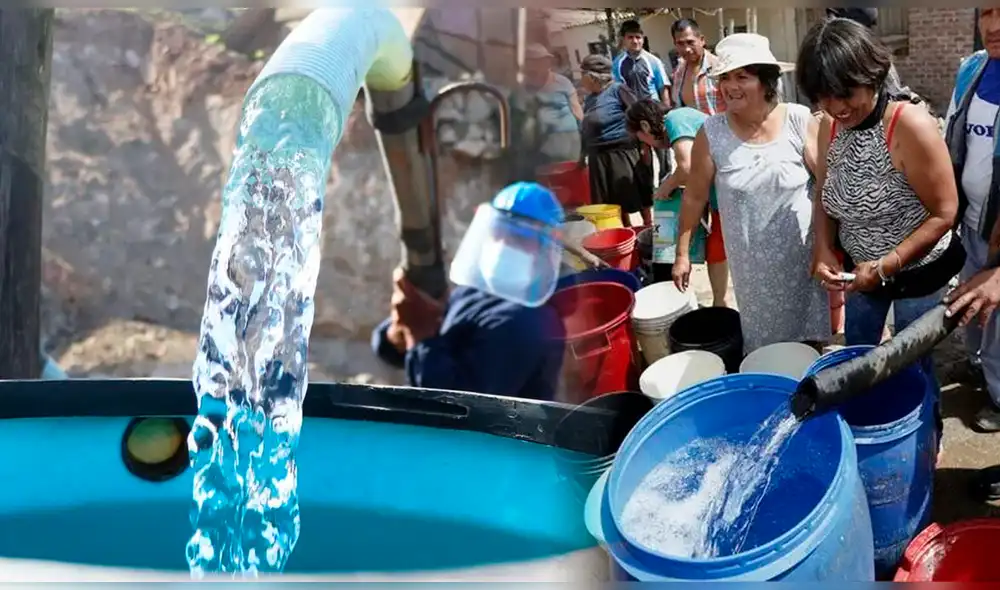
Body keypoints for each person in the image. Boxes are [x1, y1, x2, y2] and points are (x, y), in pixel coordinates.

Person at [798, 18, 962, 355]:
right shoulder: (830, 125)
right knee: (857, 353)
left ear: (870, 75)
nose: (838, 107)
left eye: (846, 94)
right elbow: (824, 191)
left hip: (919, 271)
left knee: (909, 362)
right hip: (860, 272)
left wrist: (887, 264)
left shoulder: (908, 124)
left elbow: (945, 212)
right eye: (824, 97)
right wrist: (823, 246)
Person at [670, 33, 830, 352]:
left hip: (802, 260)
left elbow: (826, 186)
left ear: (766, 81)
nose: (730, 86)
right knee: (764, 350)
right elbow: (694, 197)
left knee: (808, 345)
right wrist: (682, 254)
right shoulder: (712, 133)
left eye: (742, 76)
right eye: (724, 78)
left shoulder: (799, 120)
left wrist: (825, 248)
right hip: (752, 271)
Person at [371, 182, 566, 400]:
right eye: (498, 233)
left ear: (545, 250)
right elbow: (393, 351)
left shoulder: (531, 324)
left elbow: (458, 407)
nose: (503, 244)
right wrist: (400, 328)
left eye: (519, 238)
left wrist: (419, 334)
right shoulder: (470, 295)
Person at [944, 6, 1000, 434]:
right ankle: (979, 367)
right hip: (973, 221)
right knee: (971, 304)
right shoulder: (973, 70)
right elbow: (954, 135)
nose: (992, 26)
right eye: (986, 13)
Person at [626, 99, 725, 304]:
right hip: (720, 196)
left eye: (643, 139)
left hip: (729, 192)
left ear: (645, 126)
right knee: (716, 251)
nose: (648, 145)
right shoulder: (680, 125)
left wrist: (667, 186)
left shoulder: (675, 118)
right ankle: (719, 302)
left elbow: (687, 168)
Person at [667, 17, 730, 307]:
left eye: (691, 42)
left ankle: (721, 298)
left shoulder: (720, 68)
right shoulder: (679, 72)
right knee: (705, 228)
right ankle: (718, 301)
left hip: (724, 152)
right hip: (698, 155)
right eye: (680, 43)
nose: (686, 48)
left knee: (721, 226)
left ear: (702, 39)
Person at [579, 54, 647, 227]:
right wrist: (582, 155)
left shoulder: (618, 89)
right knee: (613, 203)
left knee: (634, 194)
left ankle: (648, 227)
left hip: (621, 151)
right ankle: (627, 231)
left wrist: (645, 146)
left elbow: (640, 116)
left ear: (592, 76)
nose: (580, 79)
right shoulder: (590, 98)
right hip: (598, 156)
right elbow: (586, 128)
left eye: (582, 74)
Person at [613, 19, 672, 195]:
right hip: (633, 118)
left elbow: (664, 88)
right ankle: (648, 192)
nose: (635, 41)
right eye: (631, 37)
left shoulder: (653, 61)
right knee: (642, 157)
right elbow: (617, 90)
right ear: (624, 39)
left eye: (638, 37)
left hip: (654, 115)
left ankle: (667, 188)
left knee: (663, 154)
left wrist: (666, 114)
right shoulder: (618, 64)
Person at [510, 43, 584, 170]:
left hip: (569, 138)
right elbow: (519, 120)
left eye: (541, 61)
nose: (534, 66)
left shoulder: (562, 82)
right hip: (541, 144)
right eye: (530, 62)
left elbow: (576, 108)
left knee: (570, 174)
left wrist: (585, 134)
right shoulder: (522, 89)